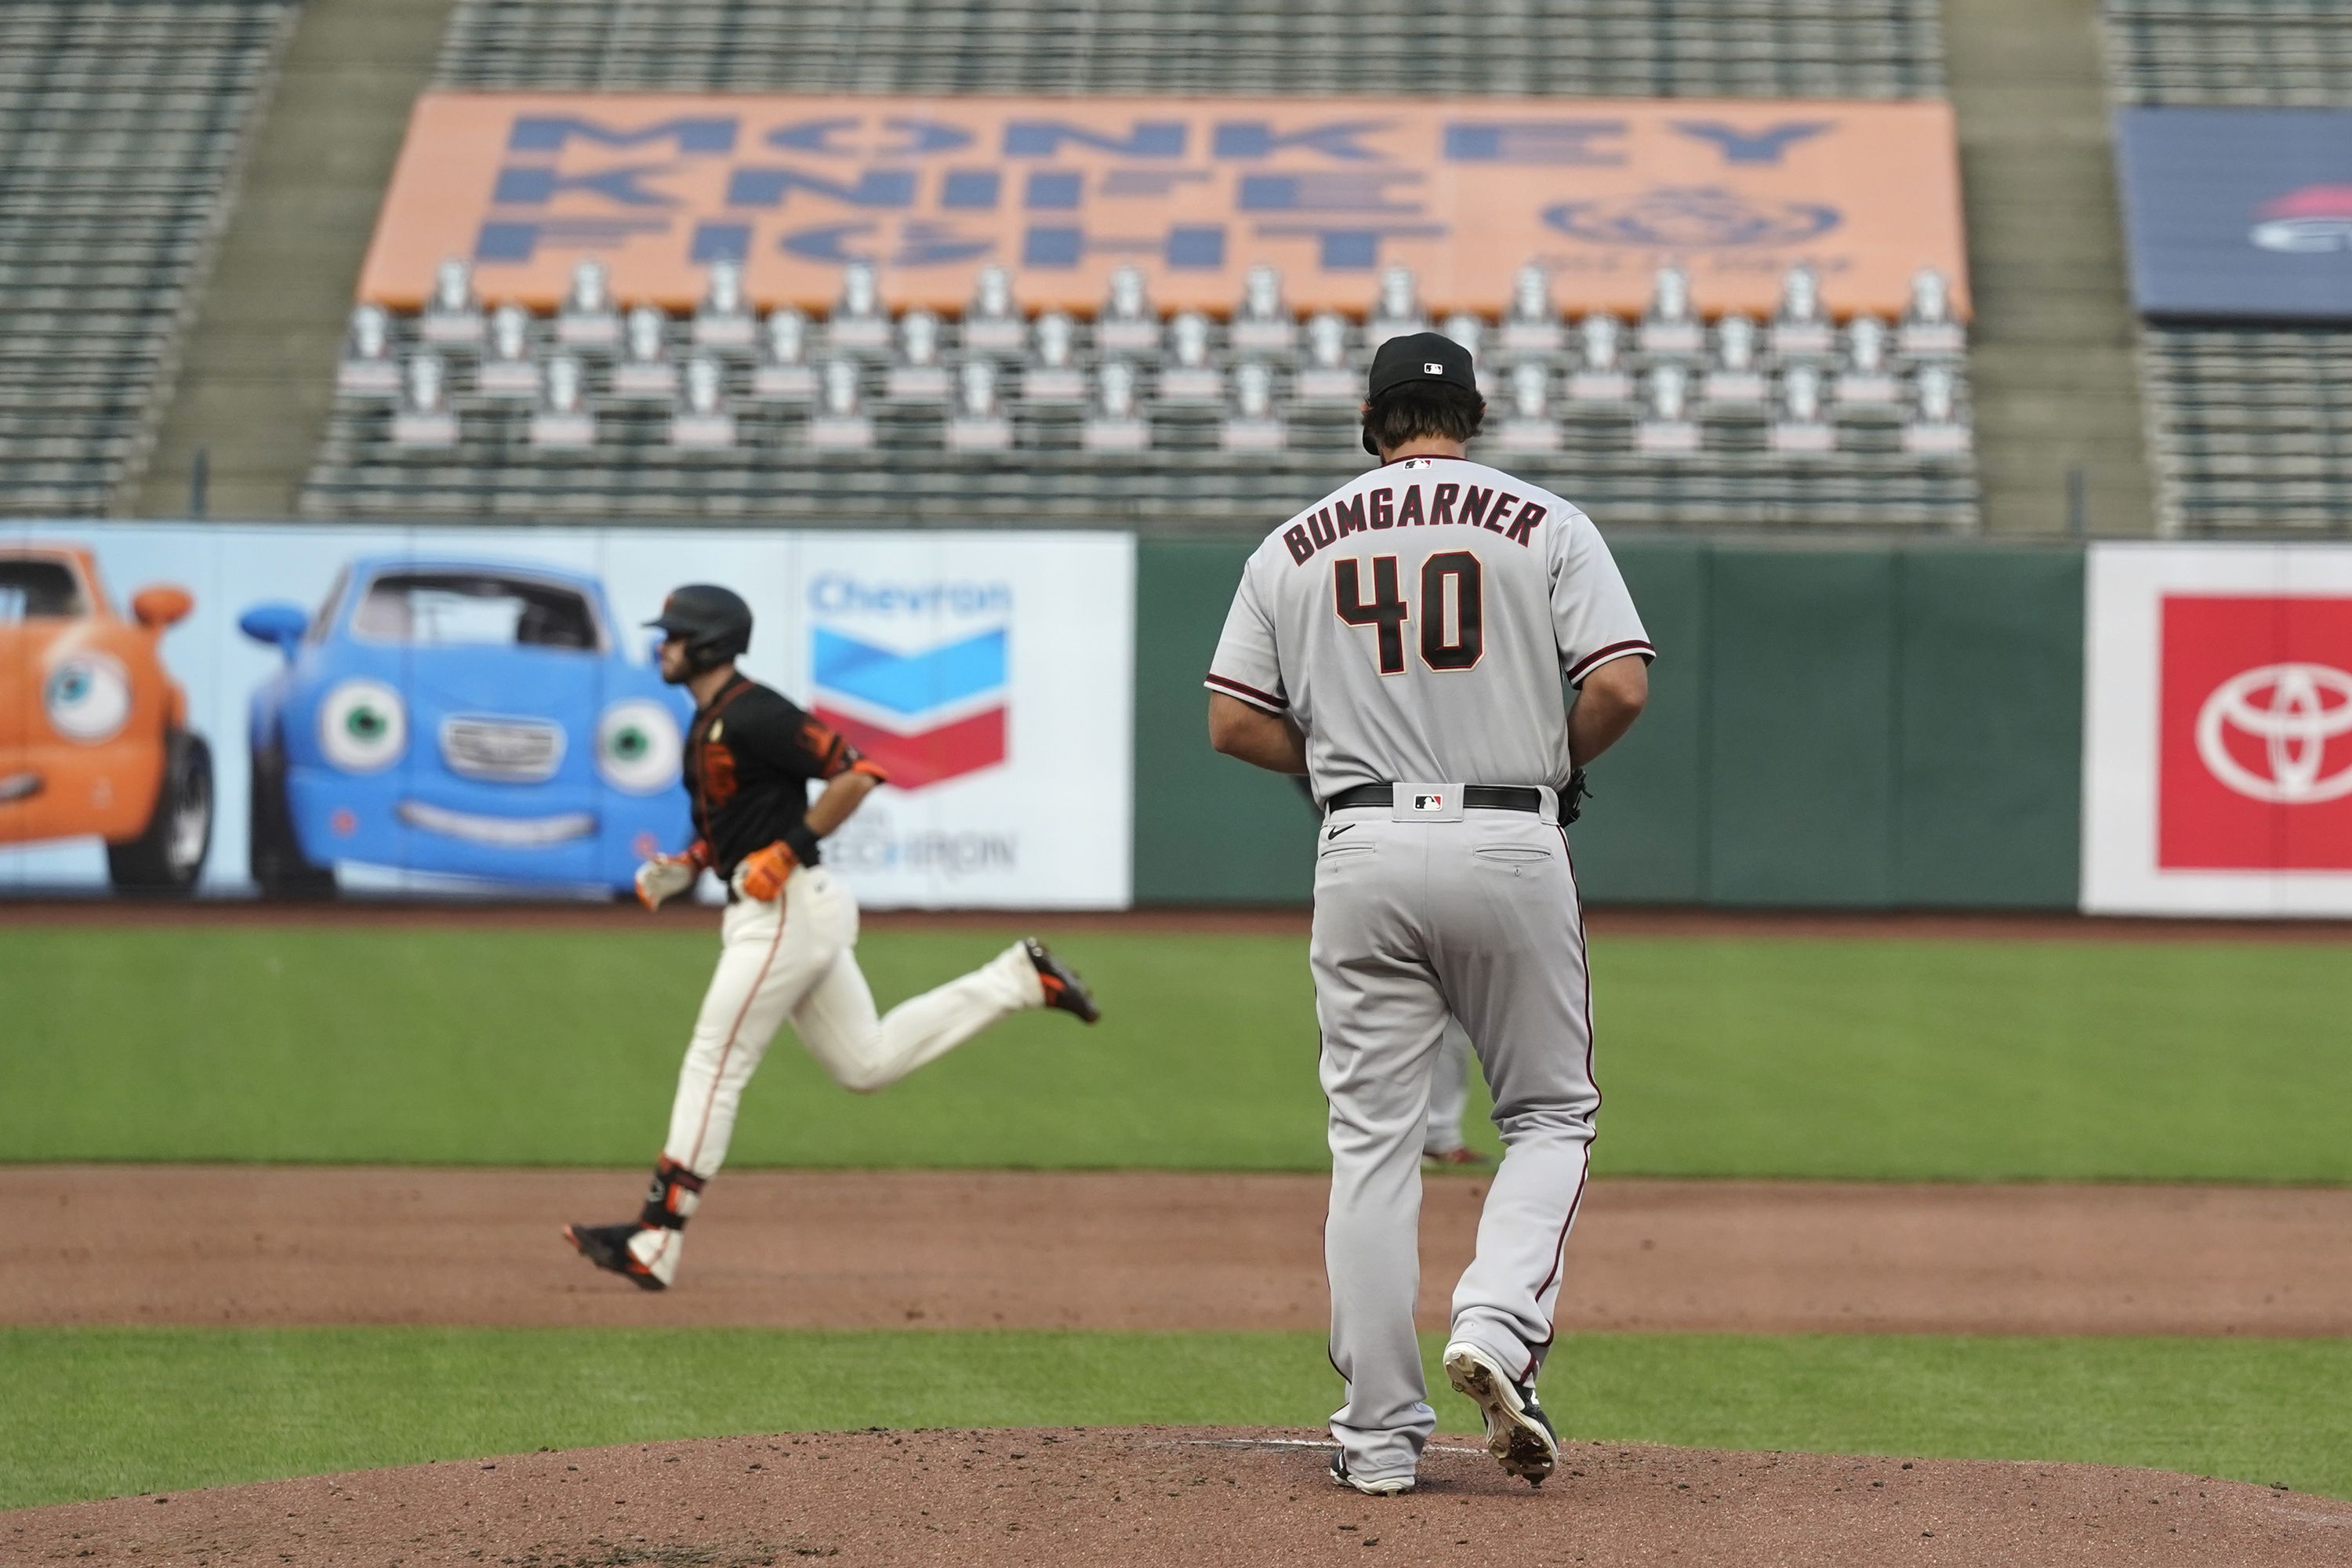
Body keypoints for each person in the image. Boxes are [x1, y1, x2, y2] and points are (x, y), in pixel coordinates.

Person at [1205, 332, 1650, 1494]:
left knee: (1372, 1147)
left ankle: (1377, 1441)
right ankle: (1498, 1328)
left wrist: (1348, 763)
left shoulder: (1294, 541)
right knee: (1551, 1114)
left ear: (1370, 415)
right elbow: (1619, 683)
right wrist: (1556, 759)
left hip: (1362, 839)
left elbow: (1233, 720)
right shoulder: (1546, 520)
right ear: (1477, 413)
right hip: (1510, 829)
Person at [565, 584, 1100, 1290]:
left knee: (713, 1061)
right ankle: (1018, 978)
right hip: (777, 910)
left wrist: (786, 849)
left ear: (709, 644)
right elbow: (737, 820)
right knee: (865, 1063)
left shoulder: (756, 712)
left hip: (786, 910)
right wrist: (691, 863)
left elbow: (856, 773)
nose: (661, 645)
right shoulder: (707, 722)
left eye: (673, 634)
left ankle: (658, 1235)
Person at [1293, 775, 1485, 1166]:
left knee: (1444, 1011)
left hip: (1419, 844)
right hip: (1383, 840)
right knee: (1375, 1014)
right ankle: (1392, 1141)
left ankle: (1433, 1137)